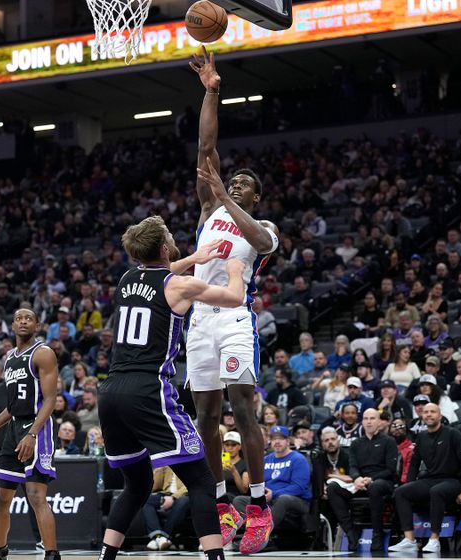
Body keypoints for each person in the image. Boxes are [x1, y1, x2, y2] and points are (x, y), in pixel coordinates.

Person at [96, 214, 246, 560]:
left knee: (137, 484)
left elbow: (161, 276)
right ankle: (215, 558)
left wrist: (194, 259)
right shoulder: (180, 286)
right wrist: (236, 269)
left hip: (112, 390)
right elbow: (235, 298)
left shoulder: (127, 279)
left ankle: (106, 557)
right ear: (164, 247)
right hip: (147, 390)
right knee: (203, 483)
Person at [188, 46, 281, 554]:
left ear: (254, 198)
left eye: (246, 183)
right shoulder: (210, 207)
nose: (237, 182)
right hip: (199, 321)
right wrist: (211, 91)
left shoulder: (262, 227)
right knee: (205, 417)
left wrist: (226, 197)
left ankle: (260, 506)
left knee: (243, 411)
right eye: (235, 179)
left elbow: (263, 245)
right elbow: (207, 151)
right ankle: (222, 505)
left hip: (233, 320)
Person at [0, 308, 61, 560]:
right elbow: (11, 407)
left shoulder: (43, 354)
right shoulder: (10, 357)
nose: (23, 321)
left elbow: (51, 399)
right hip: (13, 429)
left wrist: (32, 434)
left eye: (28, 318)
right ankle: (0, 550)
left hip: (37, 428)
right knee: (1, 497)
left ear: (37, 325)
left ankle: (52, 554)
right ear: (12, 325)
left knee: (35, 495)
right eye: (19, 318)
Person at [388, 404, 461, 554]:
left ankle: (434, 540)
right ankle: (409, 539)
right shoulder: (421, 437)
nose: (428, 415)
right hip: (431, 479)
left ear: (440, 416)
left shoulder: (454, 434)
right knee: (402, 492)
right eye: (425, 412)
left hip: (453, 480)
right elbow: (414, 463)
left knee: (436, 491)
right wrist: (410, 485)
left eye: (432, 412)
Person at [0, 364, 41, 553]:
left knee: (34, 496)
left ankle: (41, 540)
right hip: (1, 451)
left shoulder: (30, 389)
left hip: (27, 449)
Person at [328, 408, 397, 552]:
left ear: (379, 421)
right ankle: (350, 533)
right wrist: (357, 478)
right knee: (332, 488)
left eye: (372, 418)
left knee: (375, 487)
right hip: (359, 483)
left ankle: (377, 534)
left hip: (382, 481)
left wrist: (370, 479)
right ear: (362, 422)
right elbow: (352, 467)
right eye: (366, 419)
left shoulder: (389, 441)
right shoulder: (356, 443)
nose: (369, 422)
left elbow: (390, 470)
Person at [231, 426, 311, 535]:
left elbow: (298, 487)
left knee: (283, 499)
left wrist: (273, 494)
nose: (277, 442)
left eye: (281, 439)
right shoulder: (266, 459)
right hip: (269, 499)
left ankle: (262, 535)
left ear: (288, 441)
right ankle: (252, 532)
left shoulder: (298, 459)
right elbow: (259, 483)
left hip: (296, 501)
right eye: (274, 439)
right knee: (239, 500)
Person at [142, 467, 190, 551]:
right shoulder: (167, 462)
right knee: (147, 501)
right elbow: (154, 487)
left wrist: (173, 497)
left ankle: (162, 536)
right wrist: (158, 468)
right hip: (165, 494)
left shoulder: (188, 461)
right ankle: (160, 537)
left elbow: (189, 485)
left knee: (183, 501)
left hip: (183, 495)